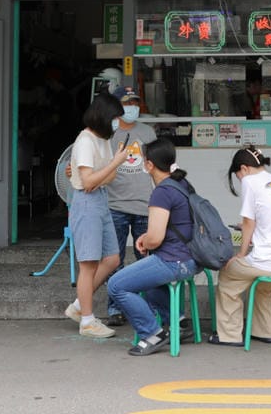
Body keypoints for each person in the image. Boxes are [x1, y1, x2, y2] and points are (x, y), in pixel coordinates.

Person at [105, 138, 198, 356]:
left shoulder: (162, 192)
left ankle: (152, 333)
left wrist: (147, 240)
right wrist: (147, 237)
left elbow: (155, 240)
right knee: (147, 280)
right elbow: (171, 226)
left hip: (173, 261)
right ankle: (178, 323)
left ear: (149, 165)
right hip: (189, 258)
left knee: (117, 285)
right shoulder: (182, 183)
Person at [211, 147, 271, 347]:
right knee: (263, 286)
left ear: (244, 169)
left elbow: (248, 222)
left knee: (228, 275)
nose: (239, 179)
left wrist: (241, 254)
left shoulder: (250, 181)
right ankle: (264, 331)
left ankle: (229, 334)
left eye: (237, 175)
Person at [63, 92, 128, 338]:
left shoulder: (103, 139)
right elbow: (89, 181)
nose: (118, 123)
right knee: (88, 264)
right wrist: (116, 163)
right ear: (104, 116)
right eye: (115, 118)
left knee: (111, 259)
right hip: (87, 202)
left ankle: (80, 305)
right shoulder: (86, 141)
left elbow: (107, 179)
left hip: (100, 200)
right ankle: (87, 321)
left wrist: (112, 166)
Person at [104, 86, 158, 327]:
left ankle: (151, 306)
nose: (132, 107)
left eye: (134, 102)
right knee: (114, 259)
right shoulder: (106, 134)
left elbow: (157, 166)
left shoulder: (147, 132)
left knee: (148, 259)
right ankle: (116, 307)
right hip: (114, 204)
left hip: (144, 205)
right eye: (126, 103)